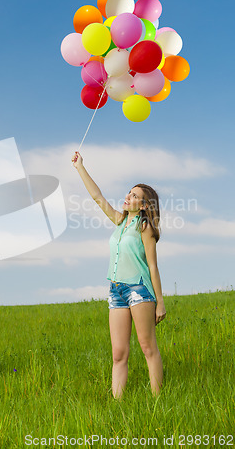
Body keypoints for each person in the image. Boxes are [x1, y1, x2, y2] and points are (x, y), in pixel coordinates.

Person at [71, 150, 166, 398]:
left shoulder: (144, 227)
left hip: (139, 290)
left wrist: (160, 303)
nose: (128, 196)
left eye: (135, 196)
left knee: (148, 347)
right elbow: (96, 196)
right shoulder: (119, 220)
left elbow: (153, 267)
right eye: (129, 192)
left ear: (144, 205)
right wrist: (80, 167)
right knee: (118, 353)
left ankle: (158, 402)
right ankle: (117, 404)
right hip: (116, 291)